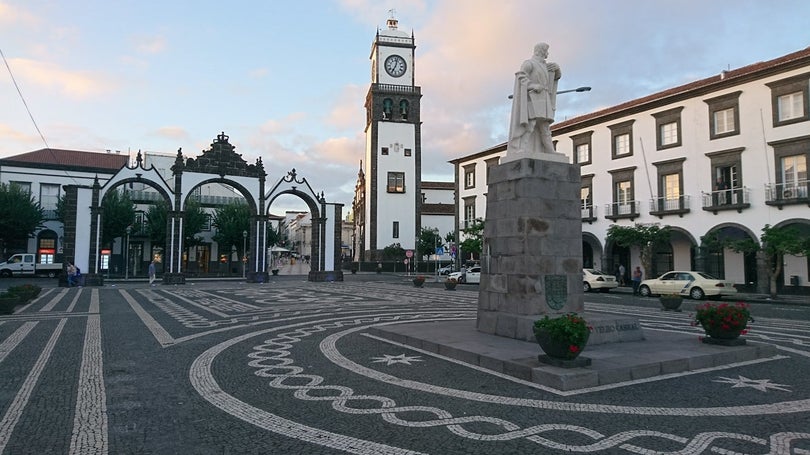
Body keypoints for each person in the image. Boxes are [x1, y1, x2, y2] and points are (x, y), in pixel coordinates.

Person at [507, 42, 562, 157]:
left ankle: (549, 150)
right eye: (546, 50)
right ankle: (521, 148)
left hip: (544, 99)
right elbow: (521, 77)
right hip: (533, 98)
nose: (548, 53)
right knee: (531, 124)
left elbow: (555, 77)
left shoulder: (546, 66)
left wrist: (557, 69)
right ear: (542, 51)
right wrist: (532, 85)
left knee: (545, 126)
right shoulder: (529, 63)